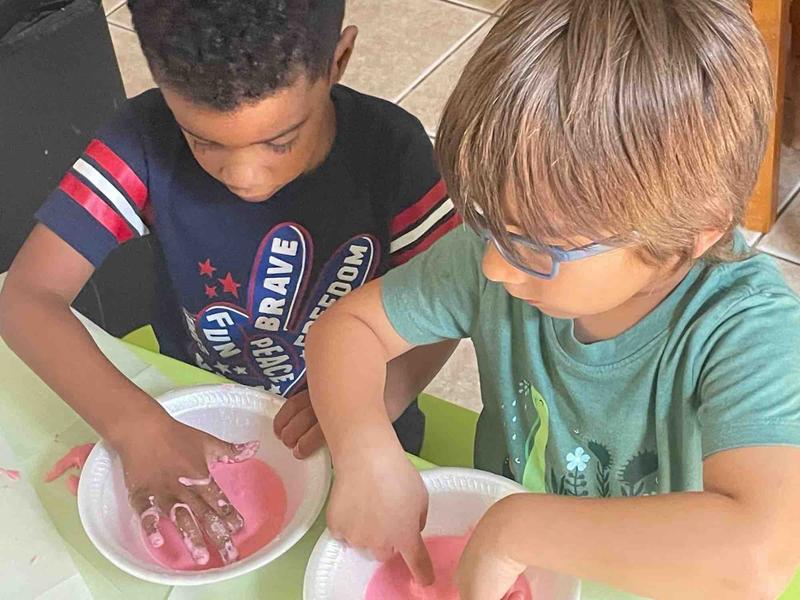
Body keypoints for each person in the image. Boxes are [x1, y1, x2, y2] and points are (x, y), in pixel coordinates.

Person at [303, 0, 800, 598]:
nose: (493, 263)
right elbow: (348, 327)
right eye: (487, 220)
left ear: (688, 238)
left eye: (539, 245)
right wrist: (364, 449)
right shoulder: (499, 250)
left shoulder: (748, 330)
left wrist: (519, 530)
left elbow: (758, 555)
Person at [0, 0, 457, 566]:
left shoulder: (394, 152)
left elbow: (445, 310)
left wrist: (365, 411)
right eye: (204, 141)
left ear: (338, 60)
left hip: (369, 438)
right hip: (194, 427)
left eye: (281, 140)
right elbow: (25, 299)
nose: (244, 176)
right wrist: (136, 427)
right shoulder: (142, 139)